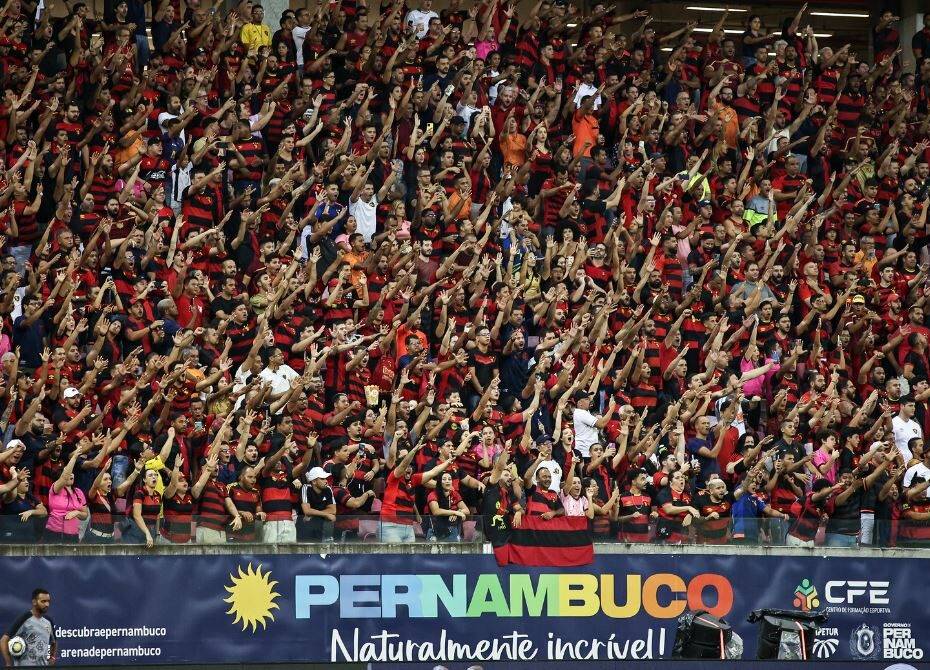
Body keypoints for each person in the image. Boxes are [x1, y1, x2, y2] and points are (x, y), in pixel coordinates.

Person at [1, 589, 56, 667]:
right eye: (43, 601)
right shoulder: (25, 618)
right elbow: (3, 641)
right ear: (34, 602)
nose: (47, 604)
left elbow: (54, 642)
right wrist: (9, 663)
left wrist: (52, 657)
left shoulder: (48, 621)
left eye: (48, 601)